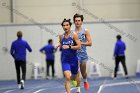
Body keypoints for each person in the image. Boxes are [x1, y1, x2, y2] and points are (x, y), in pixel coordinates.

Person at [55, 19, 81, 93]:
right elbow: (60, 42)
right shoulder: (61, 36)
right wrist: (58, 45)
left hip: (74, 60)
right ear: (62, 27)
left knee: (74, 76)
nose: (65, 26)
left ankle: (78, 87)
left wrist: (69, 47)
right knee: (67, 77)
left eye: (67, 25)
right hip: (65, 60)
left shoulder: (74, 35)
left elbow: (79, 46)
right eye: (64, 25)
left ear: (70, 26)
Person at [73, 13, 92, 92]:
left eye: (79, 20)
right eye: (76, 21)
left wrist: (80, 43)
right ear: (74, 22)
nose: (77, 22)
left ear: (81, 22)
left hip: (83, 54)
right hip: (74, 54)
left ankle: (85, 80)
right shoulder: (72, 32)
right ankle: (78, 89)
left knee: (83, 73)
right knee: (77, 72)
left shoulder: (85, 31)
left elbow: (90, 43)